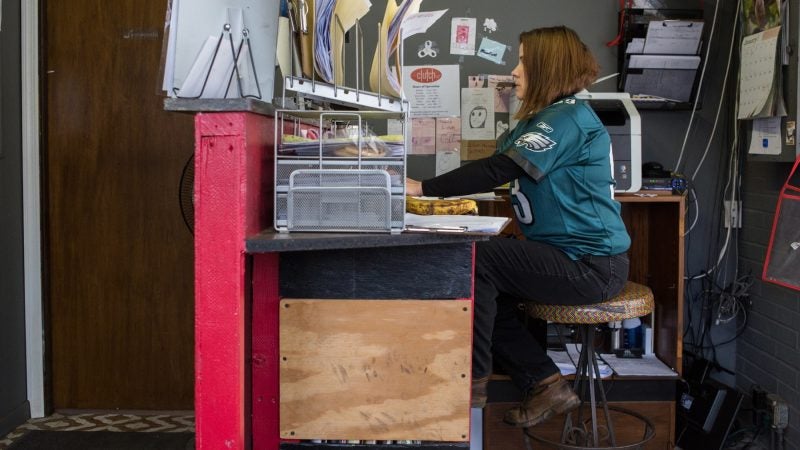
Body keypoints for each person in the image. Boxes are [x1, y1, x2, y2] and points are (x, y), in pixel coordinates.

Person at [406, 26, 631, 428]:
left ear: (546, 67)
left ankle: (471, 381)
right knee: (492, 299)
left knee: (477, 260)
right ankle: (547, 385)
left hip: (591, 264)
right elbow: (502, 168)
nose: (515, 70)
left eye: (524, 60)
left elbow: (501, 168)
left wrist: (423, 188)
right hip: (571, 257)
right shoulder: (545, 118)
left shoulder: (567, 118)